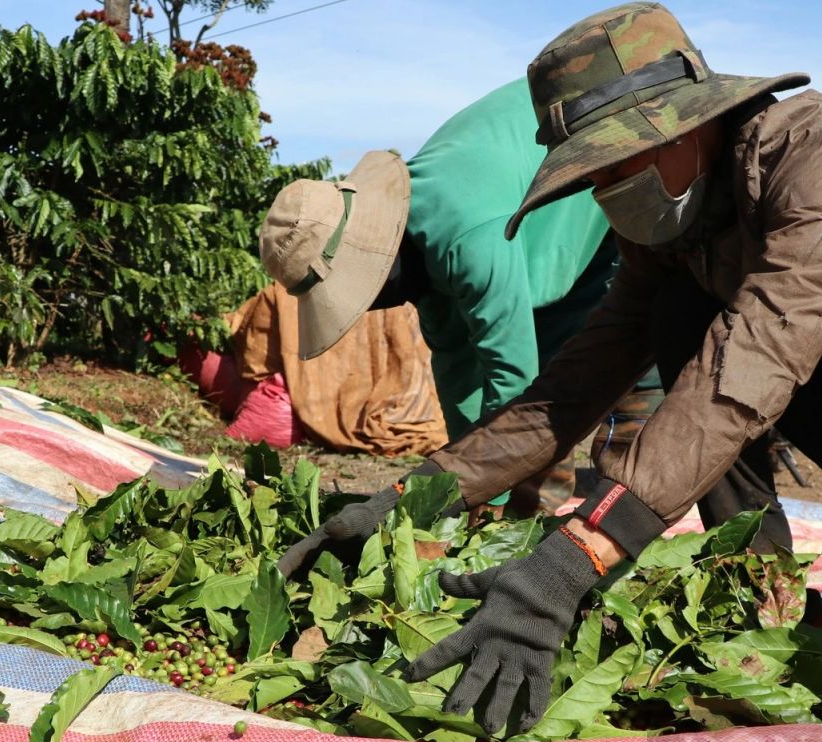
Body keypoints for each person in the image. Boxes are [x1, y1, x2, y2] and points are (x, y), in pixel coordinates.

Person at [281, 1, 822, 735]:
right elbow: (571, 385)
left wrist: (565, 565)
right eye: (597, 176)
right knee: (677, 321)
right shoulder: (675, 226)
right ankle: (758, 596)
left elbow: (754, 363)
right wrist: (412, 498)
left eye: (622, 163)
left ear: (691, 124)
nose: (612, 192)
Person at [259, 79, 666, 518]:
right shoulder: (419, 254)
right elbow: (458, 371)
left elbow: (511, 377)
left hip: (606, 180)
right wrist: (461, 480)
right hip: (538, 231)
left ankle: (624, 518)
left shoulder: (465, 235)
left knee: (624, 352)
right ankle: (532, 517)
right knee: (546, 375)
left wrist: (488, 496)